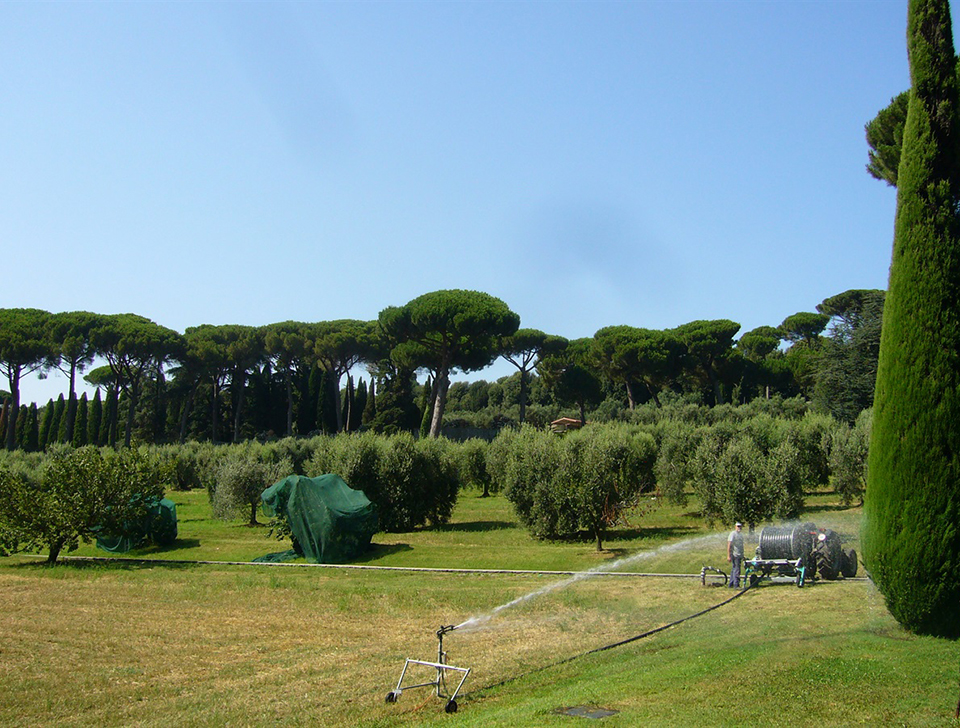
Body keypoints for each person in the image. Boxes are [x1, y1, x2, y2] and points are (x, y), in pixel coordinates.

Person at [727, 522, 744, 588]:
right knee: (737, 569)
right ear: (735, 527)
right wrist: (728, 555)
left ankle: (731, 584)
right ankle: (736, 585)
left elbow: (741, 546)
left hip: (739, 555)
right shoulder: (733, 534)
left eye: (740, 526)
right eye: (738, 526)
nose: (739, 527)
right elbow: (729, 545)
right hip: (735, 555)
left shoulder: (740, 535)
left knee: (734, 569)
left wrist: (743, 555)